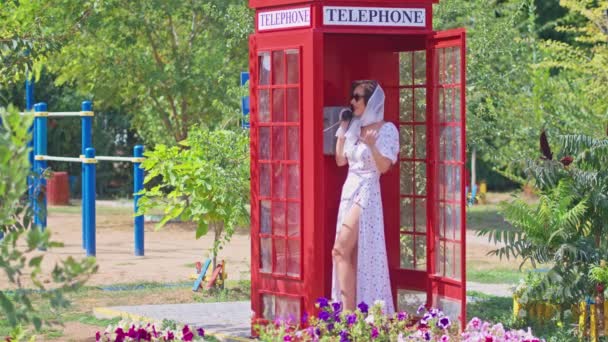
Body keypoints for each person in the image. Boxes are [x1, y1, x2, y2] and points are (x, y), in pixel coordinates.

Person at [332, 80, 399, 313]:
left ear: (371, 102)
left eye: (357, 97)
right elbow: (340, 160)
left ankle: (349, 314)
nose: (352, 101)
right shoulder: (355, 126)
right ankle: (350, 313)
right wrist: (342, 130)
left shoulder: (386, 129)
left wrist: (372, 146)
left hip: (367, 190)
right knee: (351, 253)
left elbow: (384, 167)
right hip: (349, 189)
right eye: (353, 96)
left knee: (339, 249)